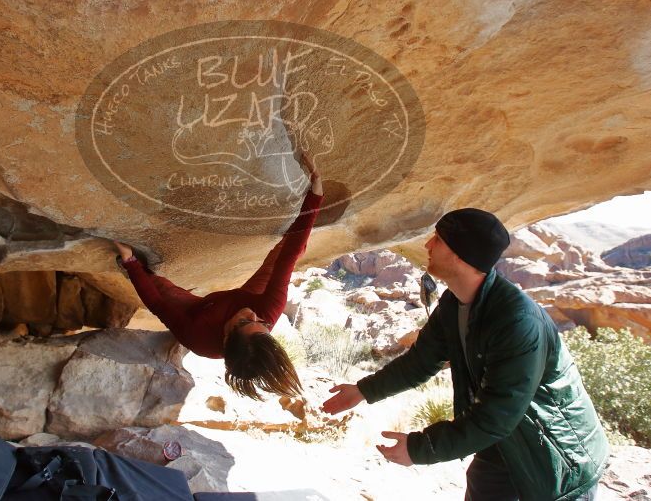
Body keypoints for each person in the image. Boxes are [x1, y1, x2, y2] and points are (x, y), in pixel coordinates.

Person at [321, 208, 608, 500]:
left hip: (552, 458)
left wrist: (420, 448)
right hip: (500, 446)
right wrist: (362, 391)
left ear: (461, 254)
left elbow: (496, 416)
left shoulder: (516, 321)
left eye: (439, 240)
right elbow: (420, 362)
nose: (427, 245)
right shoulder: (454, 303)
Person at [115, 157, 323, 400]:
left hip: (199, 310)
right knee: (289, 249)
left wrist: (130, 263)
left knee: (159, 287)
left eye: (245, 323)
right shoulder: (265, 311)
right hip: (253, 294)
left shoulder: (198, 337)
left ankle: (132, 265)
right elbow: (287, 257)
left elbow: (158, 305)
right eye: (264, 326)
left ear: (225, 339)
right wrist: (315, 196)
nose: (253, 315)